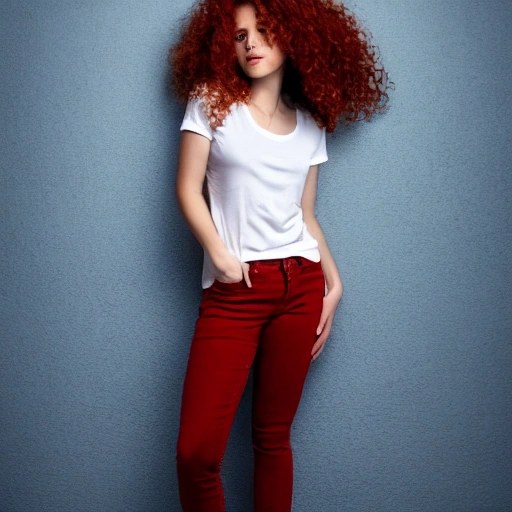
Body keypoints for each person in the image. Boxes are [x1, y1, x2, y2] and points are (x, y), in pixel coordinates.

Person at [169, 0, 390, 510]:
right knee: (196, 454)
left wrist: (335, 285)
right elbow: (186, 190)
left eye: (264, 30)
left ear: (294, 36)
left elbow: (305, 216)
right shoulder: (211, 102)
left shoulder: (311, 125)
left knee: (273, 440)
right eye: (239, 34)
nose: (251, 43)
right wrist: (222, 258)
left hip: (301, 289)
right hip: (235, 293)